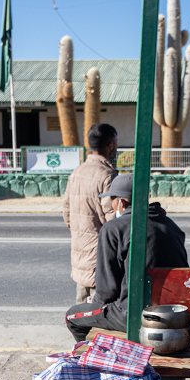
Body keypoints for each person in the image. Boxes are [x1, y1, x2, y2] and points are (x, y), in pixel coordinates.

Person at [64, 174, 189, 342]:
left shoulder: (113, 229)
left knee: (72, 316)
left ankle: (90, 359)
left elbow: (107, 291)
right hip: (172, 314)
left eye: (112, 201)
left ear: (121, 202)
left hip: (133, 315)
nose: (112, 205)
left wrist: (97, 304)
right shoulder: (171, 226)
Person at [62, 123, 119, 304]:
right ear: (110, 144)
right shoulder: (107, 176)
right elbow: (113, 221)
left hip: (80, 254)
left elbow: (67, 215)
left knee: (81, 309)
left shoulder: (76, 173)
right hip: (100, 260)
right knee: (100, 310)